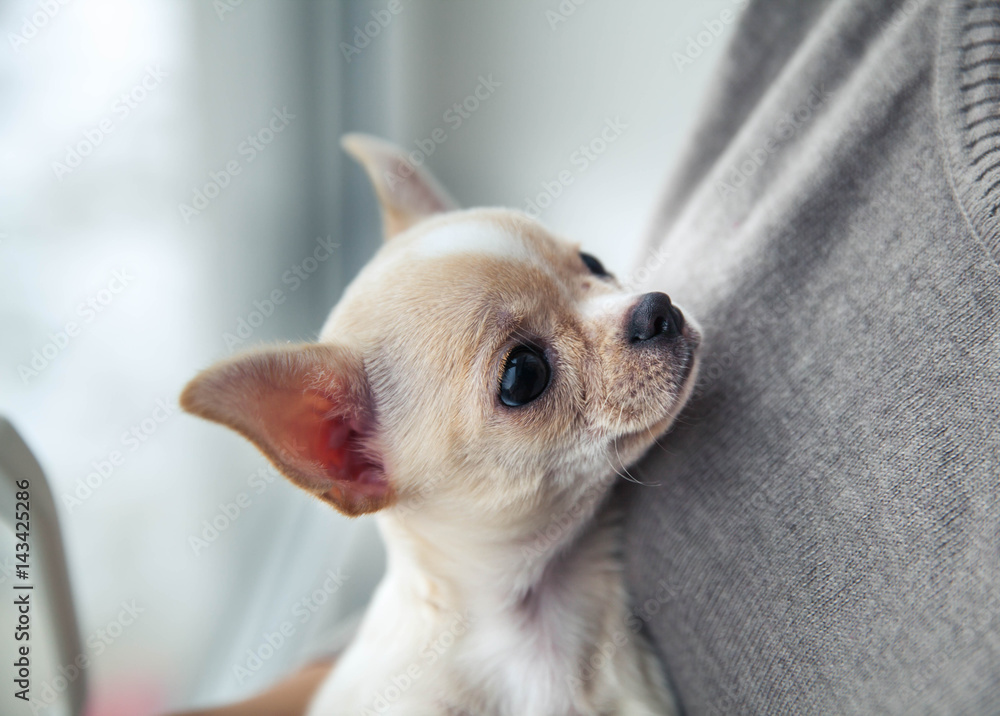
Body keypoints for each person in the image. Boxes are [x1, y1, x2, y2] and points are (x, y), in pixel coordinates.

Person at [173, 0, 1000, 712]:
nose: (633, 309)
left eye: (589, 271)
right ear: (348, 453)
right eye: (524, 375)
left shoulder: (612, 631)